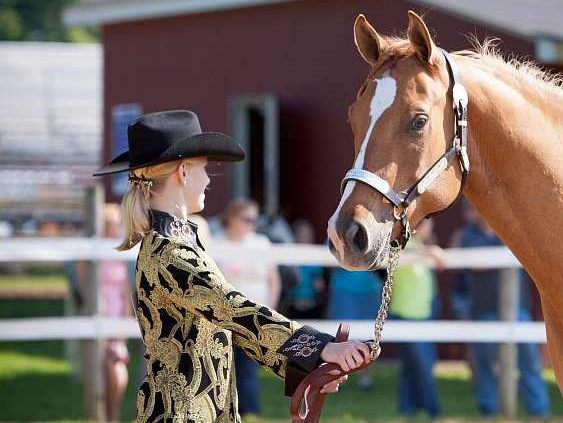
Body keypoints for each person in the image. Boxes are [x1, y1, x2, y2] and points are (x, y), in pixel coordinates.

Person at [93, 110, 370, 422]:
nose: (209, 179)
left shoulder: (176, 244)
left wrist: (309, 369)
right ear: (183, 172)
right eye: (205, 169)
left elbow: (230, 325)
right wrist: (318, 347)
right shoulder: (170, 252)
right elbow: (233, 308)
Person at [456, 200, 550, 417]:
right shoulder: (468, 236)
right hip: (483, 309)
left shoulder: (511, 232)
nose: (477, 210)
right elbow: (475, 264)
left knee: (529, 363)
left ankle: (539, 410)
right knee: (485, 365)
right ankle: (488, 409)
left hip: (518, 308)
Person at [214, 197, 278, 417]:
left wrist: (270, 312)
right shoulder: (216, 242)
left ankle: (250, 411)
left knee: (249, 367)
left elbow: (273, 280)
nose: (252, 224)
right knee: (224, 365)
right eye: (247, 219)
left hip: (256, 315)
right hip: (225, 316)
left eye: (254, 219)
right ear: (232, 218)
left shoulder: (261, 243)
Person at [389, 218, 442, 418]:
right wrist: (430, 251)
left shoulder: (420, 247)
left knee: (412, 366)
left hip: (422, 316)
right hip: (406, 315)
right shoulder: (404, 245)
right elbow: (400, 254)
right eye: (429, 224)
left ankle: (407, 409)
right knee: (423, 365)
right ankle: (433, 410)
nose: (432, 227)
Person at [327, 248, 384, 390]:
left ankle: (366, 379)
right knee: (341, 336)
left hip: (370, 291)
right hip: (344, 291)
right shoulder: (338, 228)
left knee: (370, 337)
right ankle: (338, 376)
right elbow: (329, 262)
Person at [100, 203, 131, 422]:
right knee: (108, 371)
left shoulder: (119, 253)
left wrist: (126, 322)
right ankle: (106, 414)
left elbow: (125, 290)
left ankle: (113, 413)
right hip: (103, 313)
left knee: (119, 372)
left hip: (118, 315)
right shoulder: (93, 255)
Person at [278, 219, 327, 319]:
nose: (306, 238)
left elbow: (321, 283)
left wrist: (321, 285)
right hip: (292, 307)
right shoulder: (288, 256)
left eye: (308, 235)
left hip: (313, 307)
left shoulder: (317, 256)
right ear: (295, 236)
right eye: (302, 234)